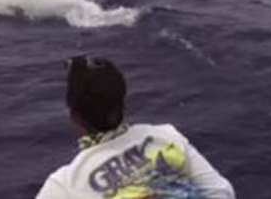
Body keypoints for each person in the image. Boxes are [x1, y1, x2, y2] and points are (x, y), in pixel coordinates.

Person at [36, 56, 235, 199]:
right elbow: (222, 192)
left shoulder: (63, 186)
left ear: (74, 117)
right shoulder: (166, 136)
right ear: (122, 103)